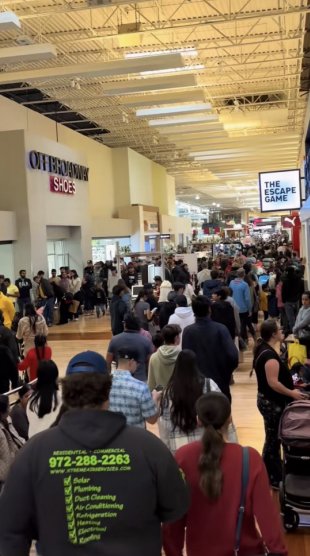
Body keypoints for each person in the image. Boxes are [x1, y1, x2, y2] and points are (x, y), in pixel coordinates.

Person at [0, 362, 189, 556]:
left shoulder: (33, 452)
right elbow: (177, 505)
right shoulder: (150, 446)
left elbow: (11, 526)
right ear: (108, 397)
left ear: (66, 398)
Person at [162, 392, 288, 556]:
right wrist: (278, 551)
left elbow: (173, 517)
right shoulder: (250, 458)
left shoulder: (183, 457)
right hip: (244, 550)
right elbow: (267, 515)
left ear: (198, 420)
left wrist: (173, 552)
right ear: (230, 419)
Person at [253, 319, 306, 488]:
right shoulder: (269, 356)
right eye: (279, 329)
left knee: (272, 437)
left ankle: (270, 471)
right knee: (273, 439)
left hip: (269, 401)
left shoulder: (266, 349)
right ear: (273, 334)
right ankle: (271, 475)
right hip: (271, 403)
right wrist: (292, 394)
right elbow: (273, 383)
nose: (282, 331)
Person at [182, 296, 238, 401]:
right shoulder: (221, 329)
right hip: (219, 380)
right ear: (209, 310)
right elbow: (233, 356)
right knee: (222, 413)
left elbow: (185, 357)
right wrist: (227, 374)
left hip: (196, 382)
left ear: (193, 311)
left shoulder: (188, 331)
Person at [109, 346, 158, 427]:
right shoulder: (141, 387)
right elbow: (152, 419)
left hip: (112, 435)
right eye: (137, 363)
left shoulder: (104, 383)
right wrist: (155, 398)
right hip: (135, 437)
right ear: (131, 362)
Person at [106, 314, 153, 382]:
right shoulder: (146, 341)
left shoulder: (114, 340)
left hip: (119, 380)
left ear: (125, 325)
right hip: (140, 379)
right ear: (138, 326)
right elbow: (150, 363)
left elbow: (108, 362)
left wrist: (109, 378)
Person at [27, 360, 61, 438]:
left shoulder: (31, 400)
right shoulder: (62, 398)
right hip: (53, 443)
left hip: (33, 443)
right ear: (56, 377)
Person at [0, 395, 24, 491]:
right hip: (4, 476)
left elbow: (16, 437)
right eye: (8, 407)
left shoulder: (7, 420)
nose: (10, 409)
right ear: (2, 412)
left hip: (14, 466)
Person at [148, 324, 181, 392]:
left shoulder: (154, 357)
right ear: (176, 338)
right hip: (179, 397)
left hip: (161, 398)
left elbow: (151, 384)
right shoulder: (183, 356)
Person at [230, 268, 253, 342]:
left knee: (235, 324)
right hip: (243, 308)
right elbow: (247, 298)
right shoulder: (245, 284)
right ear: (244, 275)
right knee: (243, 324)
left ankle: (237, 339)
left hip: (233, 306)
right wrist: (249, 309)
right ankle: (243, 339)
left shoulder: (231, 282)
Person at [282, 265, 303, 330]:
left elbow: (283, 292)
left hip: (288, 301)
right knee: (297, 316)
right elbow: (301, 272)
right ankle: (298, 329)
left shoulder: (285, 280)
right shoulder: (298, 279)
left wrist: (283, 300)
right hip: (296, 300)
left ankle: (293, 331)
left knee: (290, 318)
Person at [293, 291, 310, 356]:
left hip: (306, 335)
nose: (304, 301)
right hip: (299, 334)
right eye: (302, 299)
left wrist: (294, 328)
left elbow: (303, 322)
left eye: (306, 300)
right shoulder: (301, 308)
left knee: (305, 353)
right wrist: (295, 333)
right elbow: (297, 320)